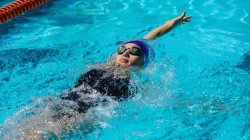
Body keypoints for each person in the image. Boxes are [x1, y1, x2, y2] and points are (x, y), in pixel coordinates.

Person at [3, 12, 191, 139]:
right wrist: (171, 23)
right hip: (62, 102)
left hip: (88, 115)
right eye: (122, 49)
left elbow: (165, 100)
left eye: (134, 52)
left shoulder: (137, 82)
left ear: (143, 62)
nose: (125, 53)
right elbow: (150, 36)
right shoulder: (109, 63)